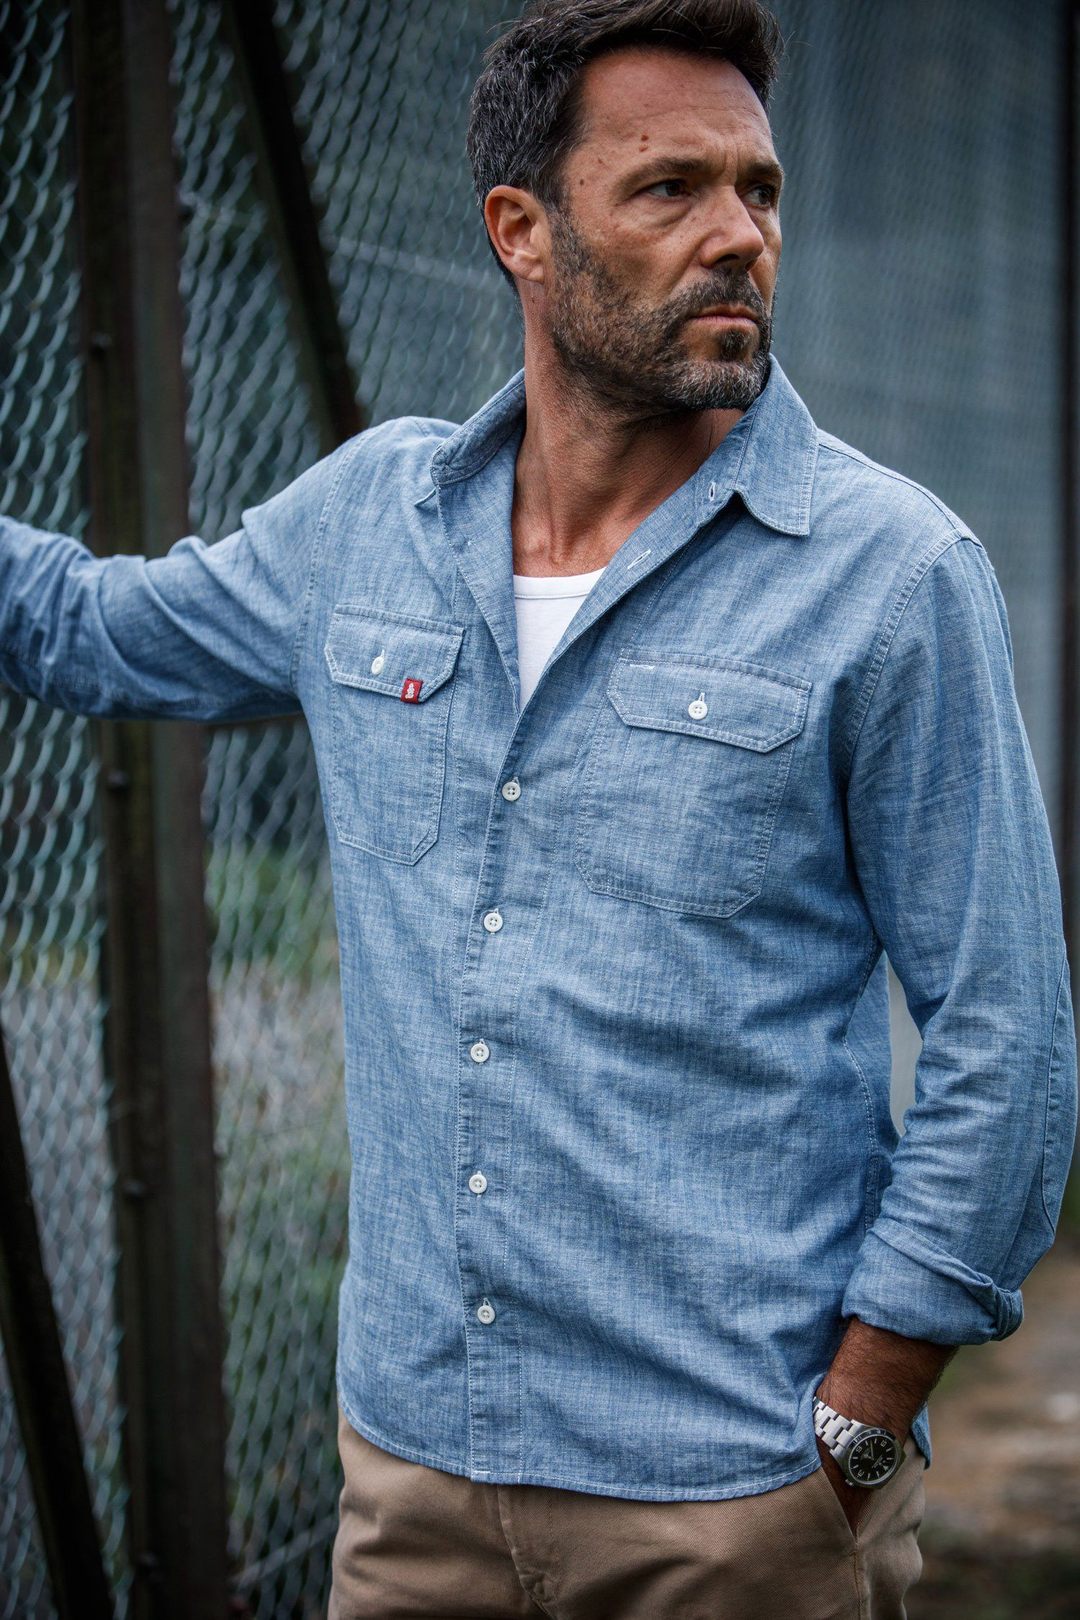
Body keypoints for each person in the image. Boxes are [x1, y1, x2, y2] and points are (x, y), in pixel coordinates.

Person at [1, 0, 1075, 1613]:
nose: (739, 235)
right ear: (522, 230)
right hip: (414, 1485)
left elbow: (1009, 1036)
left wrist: (860, 1422)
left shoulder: (891, 575)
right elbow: (90, 629)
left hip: (731, 1497)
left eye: (760, 189)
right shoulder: (371, 521)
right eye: (670, 190)